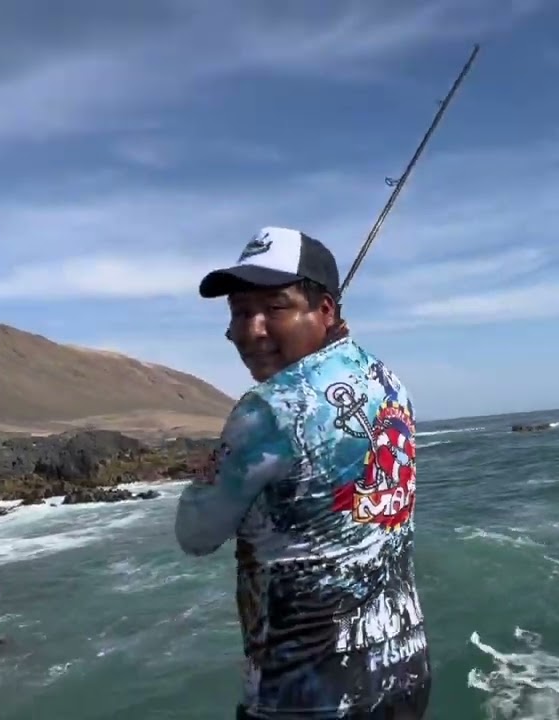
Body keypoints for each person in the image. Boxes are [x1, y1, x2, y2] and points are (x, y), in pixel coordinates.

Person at [174, 226, 429, 719]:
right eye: (240, 312)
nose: (251, 331)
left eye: (274, 308)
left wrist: (210, 469)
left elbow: (196, 533)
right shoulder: (391, 384)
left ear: (325, 310)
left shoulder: (266, 411)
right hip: (404, 673)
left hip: (307, 699)